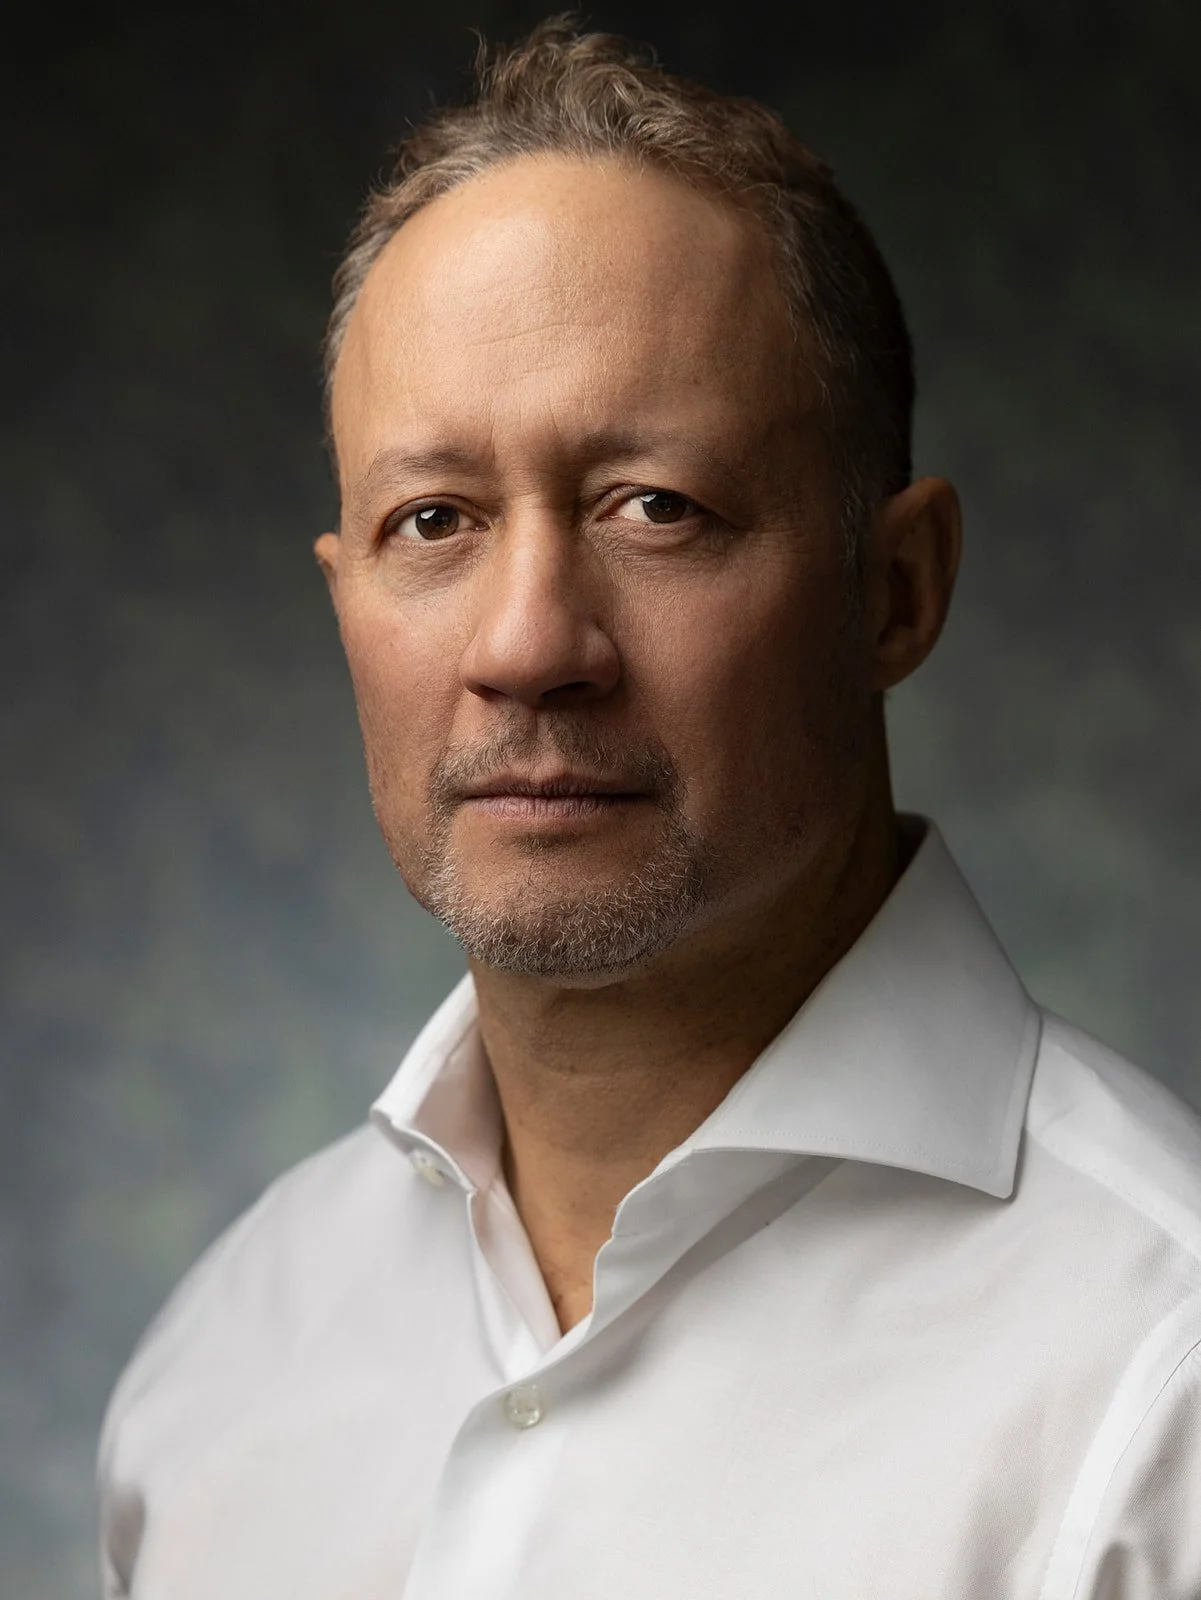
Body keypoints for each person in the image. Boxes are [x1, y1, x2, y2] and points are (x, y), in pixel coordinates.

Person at [97, 18, 1201, 1599]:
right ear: (345, 602)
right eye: (435, 520)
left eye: (655, 509)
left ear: (895, 592)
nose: (529, 645)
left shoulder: (1162, 1385)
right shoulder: (221, 1377)